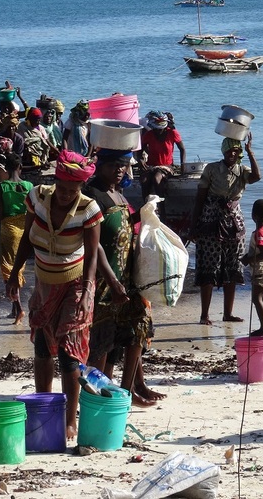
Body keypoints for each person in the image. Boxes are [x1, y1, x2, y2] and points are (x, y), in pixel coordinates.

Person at [6, 149, 102, 439]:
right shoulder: (37, 197)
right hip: (44, 282)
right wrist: (14, 272)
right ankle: (43, 410)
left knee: (69, 351)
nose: (65, 194)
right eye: (62, 188)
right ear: (55, 182)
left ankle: (70, 419)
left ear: (80, 188)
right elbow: (26, 236)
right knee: (42, 347)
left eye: (72, 190)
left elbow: (93, 255)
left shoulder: (89, 209)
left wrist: (87, 291)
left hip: (75, 283)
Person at [84, 149, 164, 408]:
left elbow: (126, 226)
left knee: (137, 329)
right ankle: (98, 398)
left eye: (123, 165)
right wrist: (112, 280)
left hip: (127, 277)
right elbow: (93, 244)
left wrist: (146, 214)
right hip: (104, 281)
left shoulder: (117, 192)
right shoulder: (93, 195)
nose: (119, 170)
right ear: (100, 166)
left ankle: (127, 392)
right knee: (102, 343)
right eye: (113, 165)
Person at [190, 134, 261, 326]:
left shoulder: (242, 170)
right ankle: (204, 314)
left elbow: (257, 177)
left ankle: (227, 313)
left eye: (236, 151)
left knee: (233, 266)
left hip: (234, 222)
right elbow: (200, 198)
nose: (232, 153)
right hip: (210, 220)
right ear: (223, 151)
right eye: (230, 150)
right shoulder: (212, 169)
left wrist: (250, 152)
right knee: (209, 267)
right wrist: (194, 225)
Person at [0, 153, 34, 324]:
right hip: (26, 229)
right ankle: (14, 309)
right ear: (20, 168)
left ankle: (19, 309)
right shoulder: (30, 185)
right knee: (19, 266)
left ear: (6, 169)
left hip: (9, 230)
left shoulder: (2, 187)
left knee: (9, 269)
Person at [241, 199, 263, 336]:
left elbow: (262, 253)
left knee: (256, 298)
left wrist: (247, 259)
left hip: (260, 268)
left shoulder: (260, 232)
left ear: (254, 215)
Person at [139, 110, 186, 199]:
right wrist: (140, 159)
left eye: (159, 129)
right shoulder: (149, 134)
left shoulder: (172, 133)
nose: (157, 131)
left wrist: (183, 165)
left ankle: (162, 209)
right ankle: (146, 207)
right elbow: (140, 149)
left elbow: (182, 149)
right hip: (151, 166)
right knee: (144, 181)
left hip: (167, 166)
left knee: (157, 179)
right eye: (155, 128)